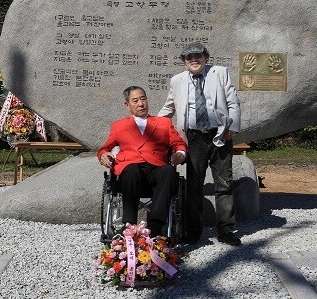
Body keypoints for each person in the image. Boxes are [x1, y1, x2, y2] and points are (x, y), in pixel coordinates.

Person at [158, 42, 241, 246]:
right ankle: (193, 231)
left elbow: (233, 101)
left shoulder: (220, 73)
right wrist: (148, 125)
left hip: (220, 134)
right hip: (194, 139)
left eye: (198, 56)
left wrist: (233, 127)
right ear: (184, 62)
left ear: (205, 57)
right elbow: (169, 108)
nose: (194, 60)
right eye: (189, 57)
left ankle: (226, 230)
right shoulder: (177, 81)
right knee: (194, 186)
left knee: (224, 184)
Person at [97, 86, 187, 237]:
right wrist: (103, 154)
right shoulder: (119, 126)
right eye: (135, 100)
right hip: (131, 173)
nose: (141, 104)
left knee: (169, 171)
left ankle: (156, 225)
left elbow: (178, 143)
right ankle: (129, 225)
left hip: (155, 171)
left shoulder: (163, 123)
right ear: (127, 105)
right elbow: (105, 147)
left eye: (143, 99)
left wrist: (180, 152)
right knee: (131, 170)